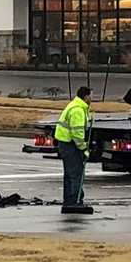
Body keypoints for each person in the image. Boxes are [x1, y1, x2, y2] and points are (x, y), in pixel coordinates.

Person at [55, 86, 93, 215]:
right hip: (70, 145)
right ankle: (75, 201)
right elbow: (77, 133)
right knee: (76, 174)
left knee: (70, 174)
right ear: (86, 96)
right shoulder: (78, 110)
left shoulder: (75, 105)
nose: (92, 99)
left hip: (65, 143)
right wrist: (83, 148)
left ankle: (69, 200)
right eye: (91, 96)